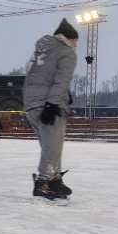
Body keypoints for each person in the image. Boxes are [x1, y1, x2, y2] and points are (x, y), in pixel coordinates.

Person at [24, 18, 79, 201]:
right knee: (53, 145)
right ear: (69, 38)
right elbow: (62, 80)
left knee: (50, 145)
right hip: (49, 103)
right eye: (75, 41)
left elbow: (32, 76)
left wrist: (33, 104)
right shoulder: (67, 52)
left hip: (31, 103)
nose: (76, 45)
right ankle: (44, 183)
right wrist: (52, 103)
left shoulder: (41, 50)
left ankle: (54, 180)